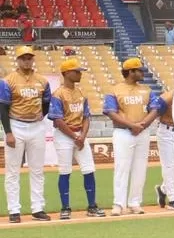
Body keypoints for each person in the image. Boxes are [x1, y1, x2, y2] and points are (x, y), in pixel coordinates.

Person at [49, 56, 105, 219]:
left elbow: (87, 116)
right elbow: (58, 120)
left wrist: (82, 136)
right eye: (76, 71)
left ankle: (92, 206)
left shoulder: (81, 92)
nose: (80, 74)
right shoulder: (58, 94)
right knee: (65, 171)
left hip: (80, 134)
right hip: (65, 135)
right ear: (66, 73)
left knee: (89, 169)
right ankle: (65, 207)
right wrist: (75, 136)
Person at [1, 45, 52, 223]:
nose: (27, 61)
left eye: (29, 58)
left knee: (37, 169)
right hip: (16, 124)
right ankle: (14, 210)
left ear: (33, 59)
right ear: (18, 60)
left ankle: (37, 208)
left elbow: (46, 102)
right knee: (13, 170)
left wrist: (41, 115)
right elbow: (3, 107)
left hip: (36, 125)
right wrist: (8, 132)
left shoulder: (42, 81)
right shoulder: (8, 80)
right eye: (23, 58)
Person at [103, 57, 157, 216]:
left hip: (142, 131)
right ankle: (119, 204)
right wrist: (131, 125)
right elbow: (111, 112)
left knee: (140, 168)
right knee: (122, 168)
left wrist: (143, 124)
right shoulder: (114, 90)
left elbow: (154, 108)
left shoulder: (146, 90)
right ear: (130, 72)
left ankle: (135, 202)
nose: (142, 73)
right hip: (123, 132)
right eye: (139, 70)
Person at [152, 88, 174, 211]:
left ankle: (163, 189)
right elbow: (154, 109)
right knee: (168, 165)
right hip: (165, 130)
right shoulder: (169, 96)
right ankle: (172, 199)